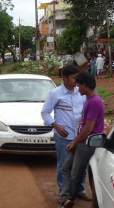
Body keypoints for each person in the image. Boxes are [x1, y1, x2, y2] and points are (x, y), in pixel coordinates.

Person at [41, 65, 88, 199]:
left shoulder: (81, 92)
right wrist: (55, 125)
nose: (76, 80)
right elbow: (45, 112)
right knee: (64, 165)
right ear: (64, 78)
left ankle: (80, 190)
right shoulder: (55, 93)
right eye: (73, 77)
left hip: (80, 136)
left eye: (77, 77)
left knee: (82, 164)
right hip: (64, 136)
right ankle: (64, 192)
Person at [59, 72, 105, 208]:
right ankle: (67, 198)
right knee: (66, 168)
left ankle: (68, 200)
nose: (77, 88)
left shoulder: (94, 102)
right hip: (82, 142)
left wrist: (74, 142)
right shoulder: (89, 100)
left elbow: (88, 128)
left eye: (79, 85)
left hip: (87, 143)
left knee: (75, 173)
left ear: (85, 86)